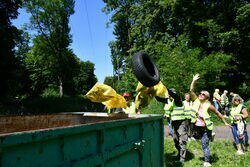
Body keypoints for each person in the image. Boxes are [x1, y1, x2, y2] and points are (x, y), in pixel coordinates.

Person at [190, 74, 231, 167]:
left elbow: (218, 113)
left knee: (204, 144)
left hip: (205, 128)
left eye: (203, 94)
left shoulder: (209, 105)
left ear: (207, 97)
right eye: (200, 93)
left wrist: (225, 122)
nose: (200, 95)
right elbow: (191, 90)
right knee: (196, 138)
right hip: (196, 126)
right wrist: (194, 80)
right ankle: (210, 136)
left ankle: (207, 161)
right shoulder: (196, 100)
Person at [156, 88, 188, 163]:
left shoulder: (177, 99)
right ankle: (179, 154)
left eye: (171, 94)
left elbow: (174, 95)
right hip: (173, 123)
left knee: (182, 140)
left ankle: (182, 158)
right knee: (175, 140)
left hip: (181, 123)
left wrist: (164, 87)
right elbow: (159, 99)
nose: (170, 95)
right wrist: (153, 92)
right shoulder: (168, 100)